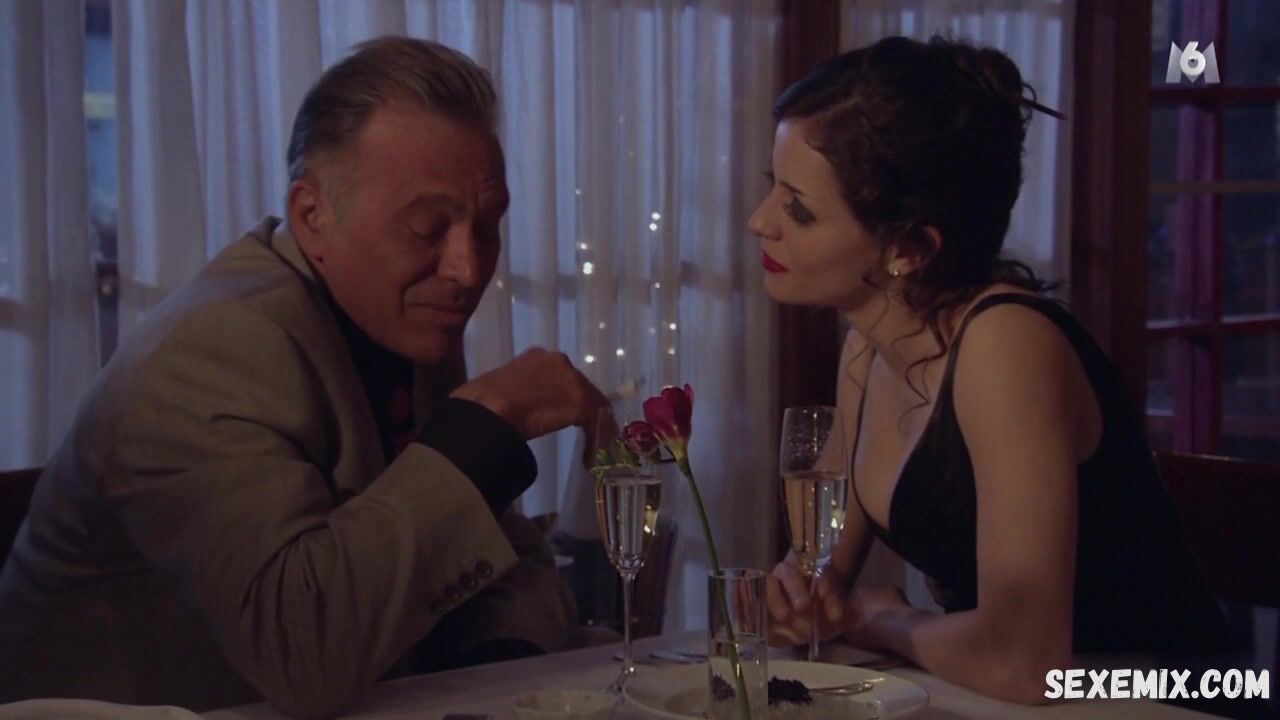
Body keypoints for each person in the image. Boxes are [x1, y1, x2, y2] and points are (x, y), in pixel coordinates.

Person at [0, 37, 608, 719]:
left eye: (487, 228)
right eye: (425, 227)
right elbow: (304, 651)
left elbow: (497, 552)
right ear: (312, 217)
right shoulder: (214, 351)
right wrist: (482, 426)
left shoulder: (400, 315)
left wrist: (499, 667)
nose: (467, 270)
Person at [751, 36, 1237, 708]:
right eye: (771, 189)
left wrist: (881, 621)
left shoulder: (1006, 346)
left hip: (1165, 702)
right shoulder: (867, 349)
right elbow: (820, 576)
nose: (760, 222)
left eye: (798, 209)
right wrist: (796, 598)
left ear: (908, 248)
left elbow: (1024, 661)